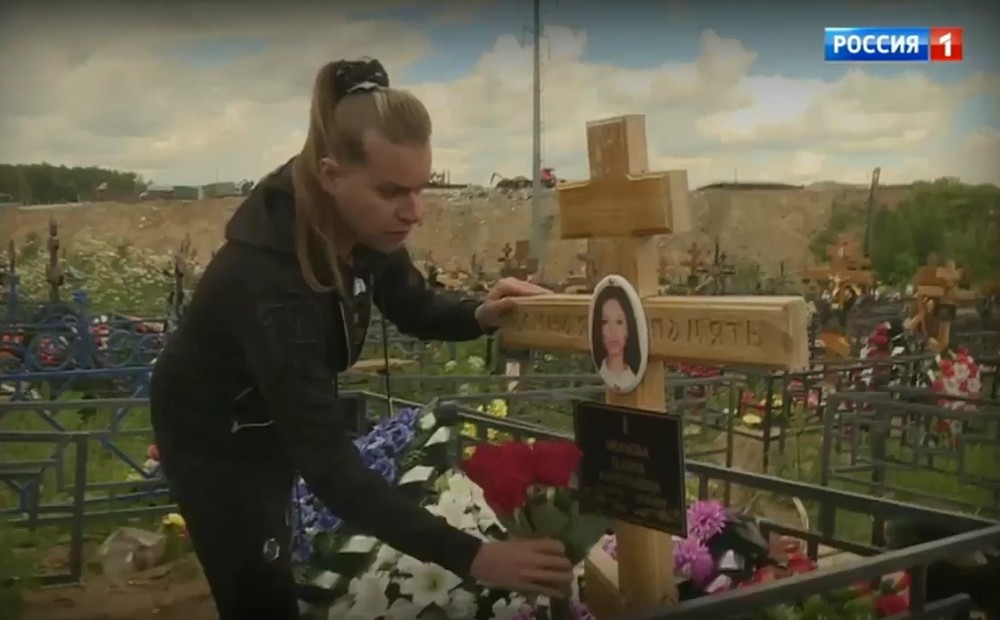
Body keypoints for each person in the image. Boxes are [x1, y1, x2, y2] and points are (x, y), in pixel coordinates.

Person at [150, 58, 573, 620]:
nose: (414, 212)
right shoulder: (270, 285)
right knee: (256, 584)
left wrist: (480, 314)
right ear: (331, 174)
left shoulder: (361, 222)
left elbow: (412, 305)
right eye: (393, 191)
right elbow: (332, 469)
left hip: (270, 414)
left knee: (278, 555)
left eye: (421, 188)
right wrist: (476, 557)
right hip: (214, 438)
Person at [590, 282, 643, 391]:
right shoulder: (596, 378)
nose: (613, 331)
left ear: (628, 328)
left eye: (619, 322)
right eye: (605, 322)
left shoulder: (632, 377)